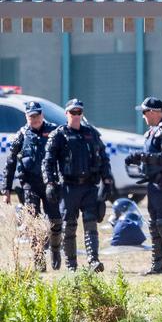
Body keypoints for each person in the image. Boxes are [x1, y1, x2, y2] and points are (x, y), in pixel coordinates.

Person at [42, 99, 114, 272]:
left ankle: (93, 261)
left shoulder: (91, 134)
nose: (76, 115)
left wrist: (107, 181)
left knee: (91, 224)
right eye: (72, 112)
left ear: (82, 114)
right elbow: (48, 162)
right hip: (68, 187)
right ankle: (71, 265)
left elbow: (104, 158)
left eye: (79, 112)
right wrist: (50, 183)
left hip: (89, 187)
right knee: (69, 227)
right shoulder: (59, 135)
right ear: (66, 114)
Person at [2, 101, 61, 271]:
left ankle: (55, 251)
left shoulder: (53, 131)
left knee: (55, 221)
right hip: (29, 184)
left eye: (37, 115)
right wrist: (6, 190)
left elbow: (64, 156)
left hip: (50, 183)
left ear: (42, 115)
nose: (34, 119)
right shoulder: (22, 134)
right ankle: (39, 260)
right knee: (34, 222)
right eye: (31, 116)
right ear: (26, 117)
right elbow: (11, 161)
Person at [126, 97, 162, 275]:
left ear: (153, 112)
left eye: (144, 112)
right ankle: (157, 266)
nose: (143, 116)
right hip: (154, 184)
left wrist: (141, 157)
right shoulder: (152, 132)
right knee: (154, 226)